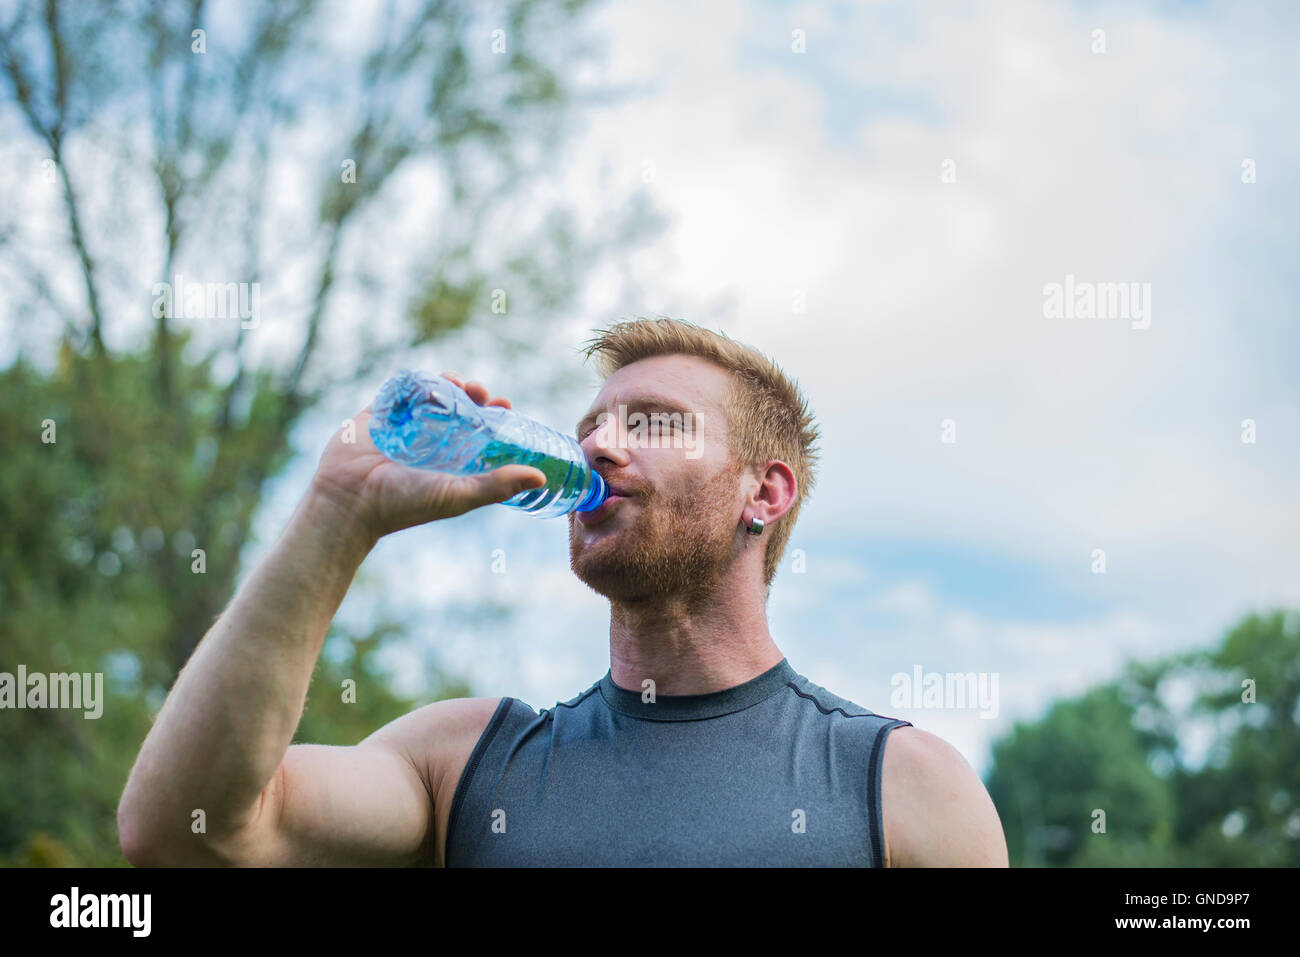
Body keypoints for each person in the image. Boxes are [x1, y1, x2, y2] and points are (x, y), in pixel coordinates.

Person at [118, 317, 1008, 867]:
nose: (599, 446)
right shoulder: (464, 761)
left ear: (764, 494)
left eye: (653, 422)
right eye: (591, 427)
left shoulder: (900, 785)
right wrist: (336, 513)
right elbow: (187, 833)